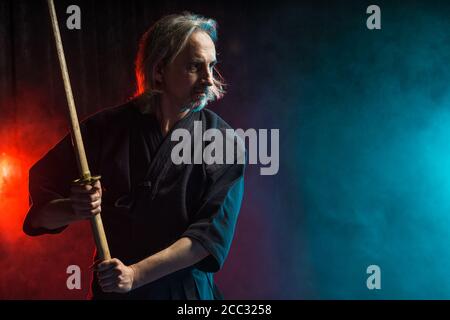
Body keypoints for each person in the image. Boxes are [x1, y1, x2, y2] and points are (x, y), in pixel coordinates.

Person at [23, 12, 245, 300]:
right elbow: (40, 217)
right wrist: (74, 207)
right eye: (194, 67)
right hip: (114, 293)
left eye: (211, 66)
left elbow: (207, 239)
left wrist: (135, 274)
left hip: (185, 296)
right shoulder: (104, 130)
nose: (208, 79)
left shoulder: (223, 141)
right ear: (159, 70)